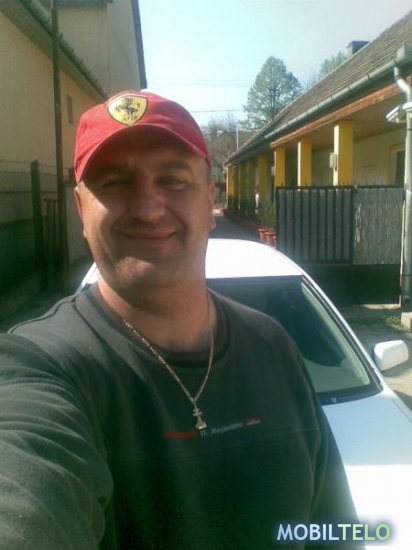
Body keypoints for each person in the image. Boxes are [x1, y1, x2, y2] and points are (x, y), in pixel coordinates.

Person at [0, 91, 359, 549]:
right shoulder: (39, 368)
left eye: (173, 179)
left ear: (210, 202)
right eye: (114, 182)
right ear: (80, 210)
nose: (148, 208)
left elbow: (333, 527)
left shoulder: (272, 345)